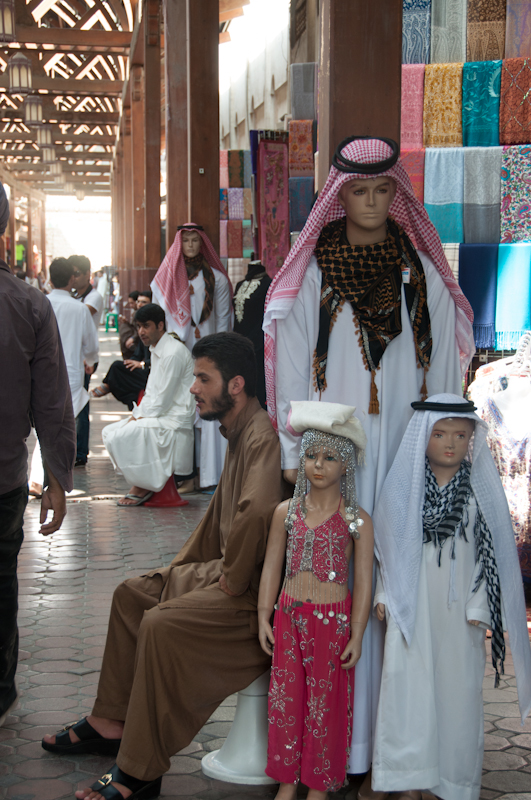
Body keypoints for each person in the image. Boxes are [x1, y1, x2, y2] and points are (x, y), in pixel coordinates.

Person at [263, 136, 475, 779]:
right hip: (338, 451)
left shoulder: (421, 271)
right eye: (359, 191)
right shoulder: (315, 271)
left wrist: (439, 447)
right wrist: (295, 451)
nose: (373, 202)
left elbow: (443, 369)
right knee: (342, 584)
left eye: (384, 190)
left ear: (397, 194)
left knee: (394, 580)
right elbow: (293, 363)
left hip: (405, 448)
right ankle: (343, 751)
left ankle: (393, 750)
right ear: (339, 195)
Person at [42, 331, 284, 800]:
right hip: (224, 573)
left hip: (249, 593)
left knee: (159, 624)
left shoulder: (262, 436)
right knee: (132, 595)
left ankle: (140, 771)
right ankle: (110, 722)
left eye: (203, 378)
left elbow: (256, 514)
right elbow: (219, 525)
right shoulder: (238, 431)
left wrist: (229, 580)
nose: (193, 388)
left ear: (235, 385)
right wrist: (185, 572)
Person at [372, 393, 531, 800]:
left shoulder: (479, 493)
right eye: (440, 434)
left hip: (460, 616)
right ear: (423, 436)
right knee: (408, 689)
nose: (450, 444)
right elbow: (388, 549)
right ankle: (409, 781)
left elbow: (490, 558)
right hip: (411, 606)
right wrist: (385, 593)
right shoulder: (405, 489)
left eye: (461, 435)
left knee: (457, 696)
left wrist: (481, 606)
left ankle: (453, 783)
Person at [258, 401, 373, 799]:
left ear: (346, 465)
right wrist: (263, 616)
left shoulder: (357, 519)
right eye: (310, 456)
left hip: (333, 622)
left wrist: (357, 633)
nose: (318, 465)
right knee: (286, 700)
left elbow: (364, 578)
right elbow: (271, 567)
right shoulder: (286, 512)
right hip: (288, 616)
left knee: (326, 702)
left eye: (329, 457)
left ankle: (319, 785)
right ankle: (286, 782)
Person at [0, 186, 76, 727]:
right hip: (4, 479)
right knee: (1, 584)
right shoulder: (28, 305)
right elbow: (51, 402)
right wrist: (56, 478)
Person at [151, 223, 232, 490]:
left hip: (208, 355)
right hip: (178, 356)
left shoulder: (217, 279)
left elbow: (223, 320)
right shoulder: (168, 279)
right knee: (180, 412)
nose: (190, 246)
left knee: (206, 415)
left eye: (195, 240)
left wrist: (220, 354)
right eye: (185, 241)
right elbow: (159, 317)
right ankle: (183, 475)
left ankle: (207, 475)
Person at [102, 303, 195, 506]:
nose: (141, 332)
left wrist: (138, 418)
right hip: (160, 415)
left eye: (146, 326)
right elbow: (151, 391)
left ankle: (143, 485)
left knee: (124, 434)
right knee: (109, 432)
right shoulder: (156, 349)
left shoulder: (172, 353)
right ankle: (142, 481)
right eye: (138, 326)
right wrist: (136, 415)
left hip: (174, 420)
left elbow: (162, 400)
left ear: (160, 325)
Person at [46, 258, 99, 468]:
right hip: (73, 371)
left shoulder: (40, 304)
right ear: (71, 279)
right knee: (73, 415)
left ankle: (48, 459)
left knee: (47, 417)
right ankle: (71, 457)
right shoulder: (79, 309)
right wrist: (91, 361)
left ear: (50, 280)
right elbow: (91, 345)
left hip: (44, 370)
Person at [69, 255, 104, 466]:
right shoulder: (73, 296)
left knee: (81, 403)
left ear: (87, 274)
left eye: (76, 273)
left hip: (86, 358)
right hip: (72, 355)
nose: (73, 278)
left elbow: (79, 314)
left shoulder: (94, 297)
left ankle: (80, 452)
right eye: (71, 274)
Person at [91, 292, 153, 409]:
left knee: (117, 372)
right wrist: (130, 363)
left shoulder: (156, 331)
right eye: (138, 302)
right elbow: (138, 353)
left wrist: (142, 364)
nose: (140, 305)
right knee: (119, 372)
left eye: (144, 302)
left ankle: (108, 386)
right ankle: (113, 388)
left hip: (152, 373)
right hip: (143, 368)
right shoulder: (140, 325)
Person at [233, 259, 272, 409]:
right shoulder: (239, 285)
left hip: (258, 345)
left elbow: (266, 317)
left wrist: (254, 343)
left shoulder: (269, 284)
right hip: (239, 346)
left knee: (258, 383)